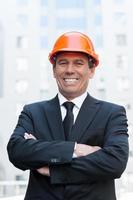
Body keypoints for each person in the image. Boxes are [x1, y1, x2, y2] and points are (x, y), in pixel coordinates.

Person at [7, 31, 129, 200]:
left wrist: (52, 169)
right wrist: (75, 149)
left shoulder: (112, 113)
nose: (70, 70)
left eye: (78, 63)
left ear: (91, 70)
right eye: (63, 63)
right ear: (54, 70)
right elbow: (17, 151)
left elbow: (115, 162)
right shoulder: (33, 112)